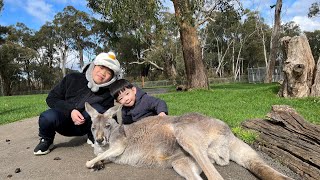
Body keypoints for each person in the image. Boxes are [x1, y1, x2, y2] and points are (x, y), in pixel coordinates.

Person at [34, 52, 122, 155]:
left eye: (109, 72)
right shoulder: (72, 78)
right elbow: (51, 98)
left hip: (86, 126)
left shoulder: (108, 93)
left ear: (112, 77)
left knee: (99, 109)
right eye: (102, 67)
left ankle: (93, 136)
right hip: (63, 122)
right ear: (94, 65)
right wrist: (70, 110)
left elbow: (110, 117)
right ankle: (46, 139)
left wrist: (117, 135)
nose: (103, 73)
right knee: (47, 116)